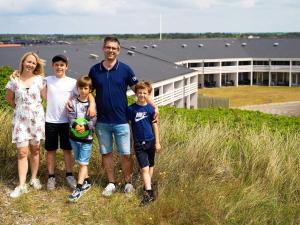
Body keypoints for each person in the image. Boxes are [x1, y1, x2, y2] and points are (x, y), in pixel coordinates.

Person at [88, 36, 158, 197]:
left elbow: (140, 91)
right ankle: (111, 183)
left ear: (118, 51)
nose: (111, 50)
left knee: (125, 154)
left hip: (122, 121)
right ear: (103, 49)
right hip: (102, 121)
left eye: (114, 48)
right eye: (108, 47)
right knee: (106, 153)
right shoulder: (94, 70)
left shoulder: (125, 69)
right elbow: (88, 92)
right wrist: (91, 104)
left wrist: (154, 107)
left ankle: (128, 183)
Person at [6, 52, 46, 198]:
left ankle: (34, 178)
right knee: (22, 152)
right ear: (23, 62)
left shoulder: (40, 80)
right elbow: (9, 99)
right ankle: (21, 185)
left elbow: (48, 97)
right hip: (20, 121)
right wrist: (21, 109)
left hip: (37, 120)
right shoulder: (14, 80)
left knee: (35, 150)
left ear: (36, 66)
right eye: (28, 62)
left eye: (33, 63)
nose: (30, 64)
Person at [127, 81, 161, 205]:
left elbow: (155, 126)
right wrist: (132, 142)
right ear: (135, 93)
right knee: (144, 169)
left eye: (144, 93)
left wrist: (157, 142)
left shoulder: (151, 109)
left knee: (150, 166)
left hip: (150, 141)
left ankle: (148, 187)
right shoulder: (131, 109)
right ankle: (149, 193)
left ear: (148, 94)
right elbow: (130, 126)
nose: (141, 95)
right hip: (138, 143)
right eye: (139, 92)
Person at [67, 75, 97, 202]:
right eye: (81, 88)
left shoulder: (92, 104)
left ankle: (79, 189)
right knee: (79, 161)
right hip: (73, 137)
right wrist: (75, 125)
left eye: (86, 88)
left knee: (83, 163)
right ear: (77, 88)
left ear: (90, 89)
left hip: (87, 138)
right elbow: (70, 116)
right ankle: (88, 181)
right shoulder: (73, 102)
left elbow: (94, 119)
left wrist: (85, 127)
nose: (83, 91)